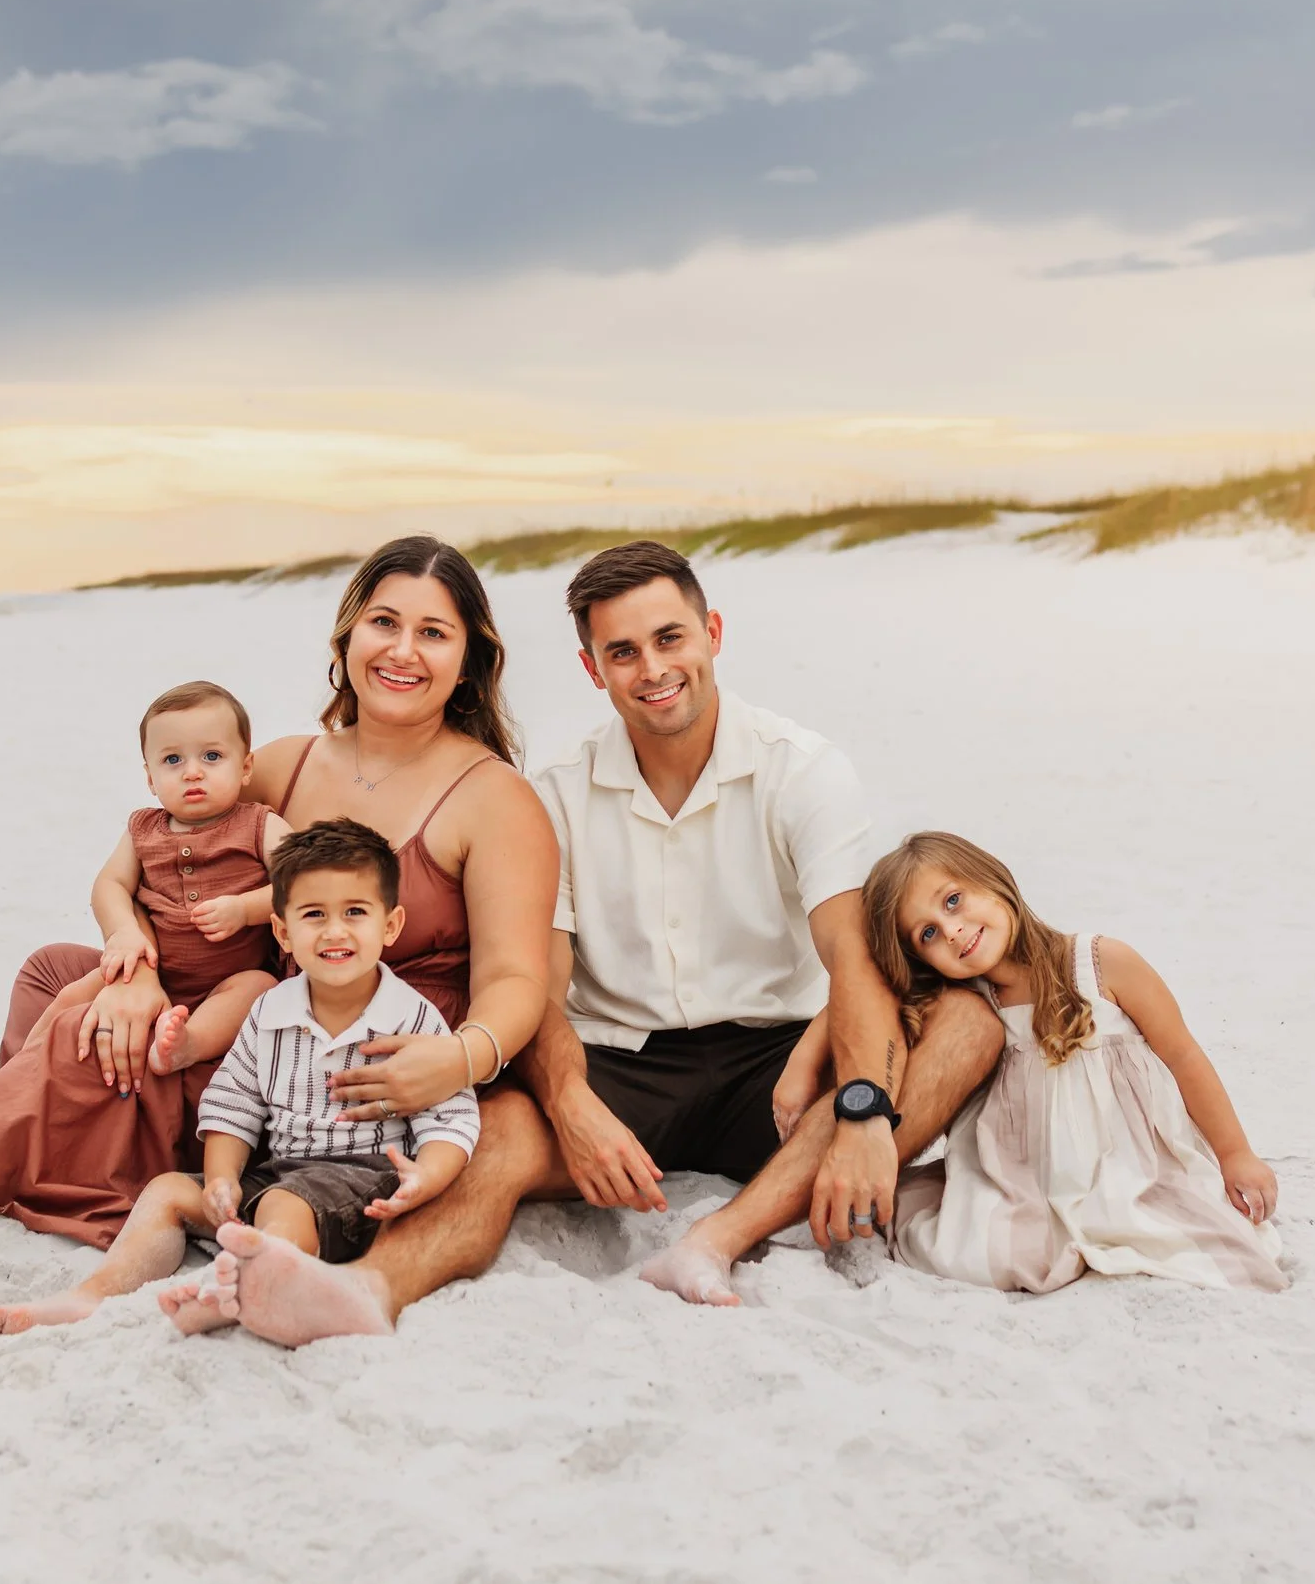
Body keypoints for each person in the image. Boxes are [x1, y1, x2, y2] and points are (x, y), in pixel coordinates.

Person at [0, 536, 554, 1277]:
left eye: (433, 632)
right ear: (347, 637)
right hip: (249, 1003)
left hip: (345, 1061)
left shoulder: (491, 797)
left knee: (86, 1040)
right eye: (384, 622)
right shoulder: (284, 762)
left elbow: (518, 979)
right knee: (58, 973)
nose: (402, 649)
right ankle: (16, 1139)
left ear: (470, 656)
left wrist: (457, 1059)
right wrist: (136, 971)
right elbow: (166, 884)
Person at [183, 541, 1011, 1346]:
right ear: (592, 668)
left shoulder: (801, 769)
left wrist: (864, 1108)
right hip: (622, 1062)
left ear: (712, 634)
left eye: (669, 639)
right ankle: (368, 1290)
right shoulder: (558, 793)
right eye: (622, 650)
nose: (651, 668)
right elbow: (537, 982)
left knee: (966, 1026)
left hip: (777, 1063)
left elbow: (851, 954)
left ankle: (714, 1239)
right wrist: (573, 1107)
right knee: (496, 1126)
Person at [0, 819, 482, 1335]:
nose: (335, 931)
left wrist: (429, 1176)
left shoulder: (410, 1017)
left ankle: (240, 1288)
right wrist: (221, 1179)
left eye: (355, 913)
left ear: (391, 925)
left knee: (287, 1206)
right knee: (169, 1191)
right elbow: (233, 1102)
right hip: (279, 1171)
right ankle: (95, 1293)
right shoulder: (271, 1011)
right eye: (314, 915)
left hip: (367, 1181)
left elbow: (451, 1115)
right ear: (283, 932)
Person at [863, 831, 1286, 1291]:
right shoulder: (969, 1011)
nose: (952, 930)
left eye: (953, 901)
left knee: (1186, 1236)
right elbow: (867, 996)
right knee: (985, 1254)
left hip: (1129, 1164)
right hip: (1026, 1178)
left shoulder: (1101, 963)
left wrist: (1235, 1154)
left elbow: (1183, 1055)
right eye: (927, 934)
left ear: (993, 880)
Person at [79, 679, 288, 1095]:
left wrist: (245, 909)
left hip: (228, 977)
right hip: (151, 972)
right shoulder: (142, 829)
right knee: (69, 999)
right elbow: (110, 884)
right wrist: (123, 931)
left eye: (212, 756)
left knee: (259, 989)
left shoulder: (258, 824)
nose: (193, 771)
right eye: (172, 760)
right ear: (150, 778)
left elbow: (303, 884)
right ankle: (10, 1073)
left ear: (245, 767)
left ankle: (186, 1046)